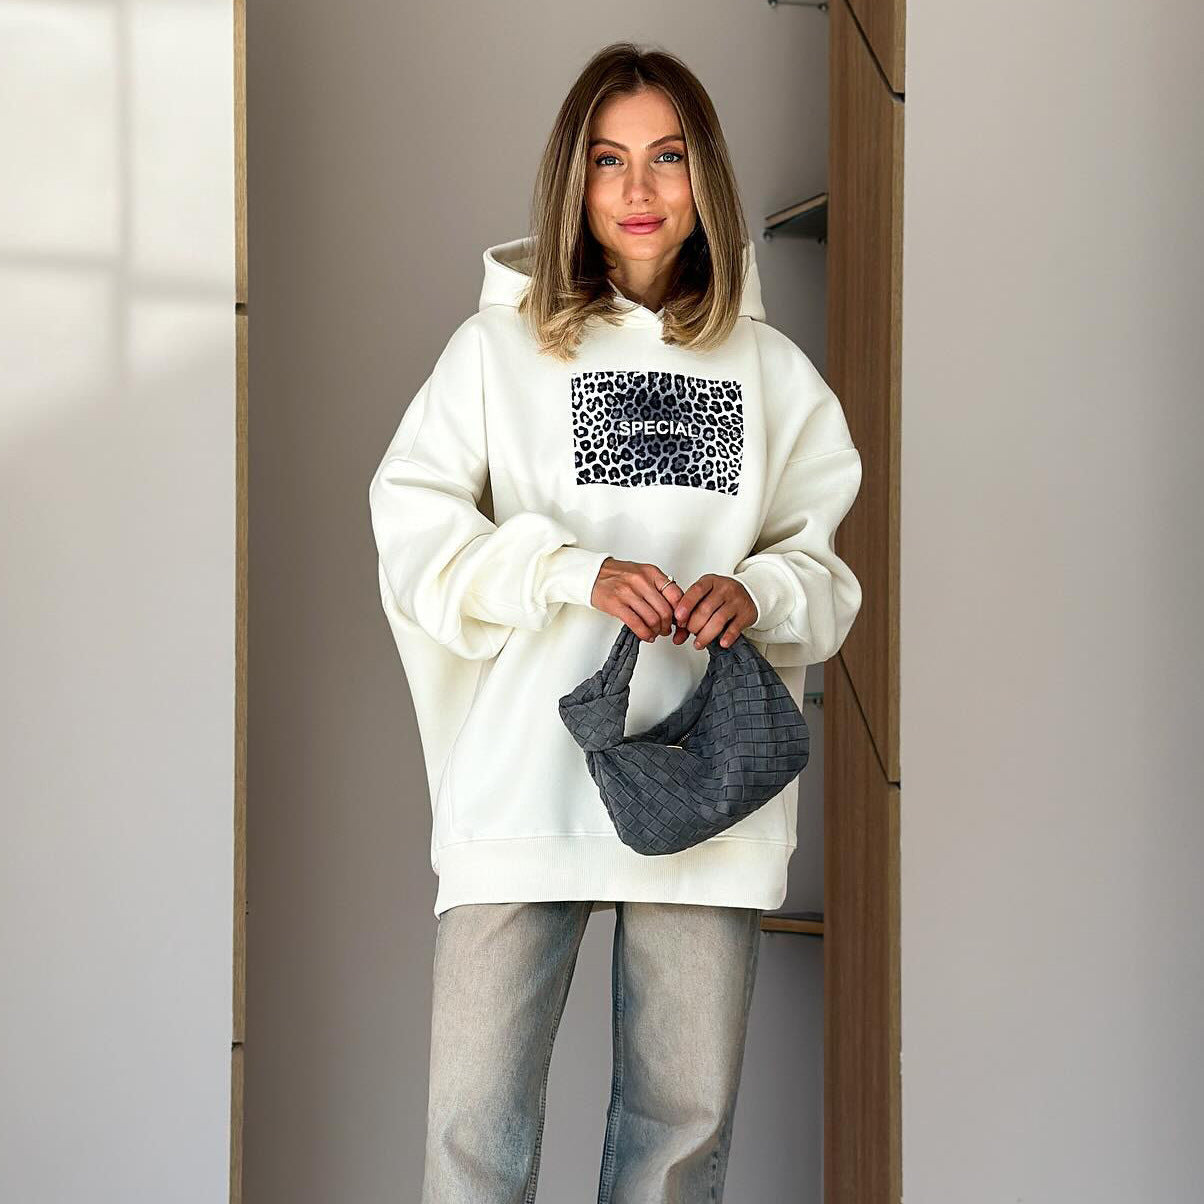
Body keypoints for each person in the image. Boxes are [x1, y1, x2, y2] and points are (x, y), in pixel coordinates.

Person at [367, 41, 863, 1204]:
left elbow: (823, 575)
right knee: (472, 1137)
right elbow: (415, 535)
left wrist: (756, 591)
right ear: (573, 181)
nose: (638, 189)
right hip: (523, 781)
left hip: (707, 791)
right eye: (607, 160)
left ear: (705, 178)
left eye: (667, 157)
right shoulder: (495, 352)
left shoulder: (771, 372)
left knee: (678, 1141)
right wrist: (569, 571)